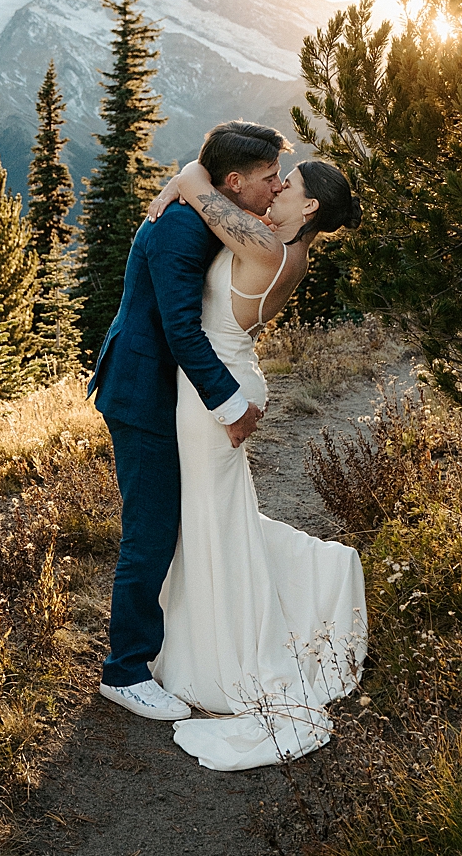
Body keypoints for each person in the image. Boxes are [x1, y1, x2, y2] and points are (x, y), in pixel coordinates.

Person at [143, 147, 367, 770]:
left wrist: (183, 178)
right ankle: (210, 629)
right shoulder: (279, 244)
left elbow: (200, 186)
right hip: (226, 377)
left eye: (286, 182)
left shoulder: (270, 250)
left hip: (216, 388)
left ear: (310, 204)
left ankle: (217, 655)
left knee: (210, 519)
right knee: (215, 516)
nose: (277, 186)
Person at [87, 122, 288, 722]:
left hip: (161, 390)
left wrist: (188, 177)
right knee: (148, 530)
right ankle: (124, 671)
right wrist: (230, 405)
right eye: (268, 177)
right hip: (142, 390)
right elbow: (181, 327)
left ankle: (160, 646)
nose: (277, 186)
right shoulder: (180, 225)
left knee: (164, 523)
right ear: (233, 182)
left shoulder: (205, 204)